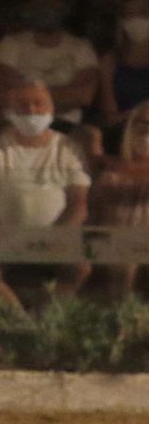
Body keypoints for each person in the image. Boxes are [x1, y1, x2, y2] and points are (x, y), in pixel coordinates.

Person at [0, 78, 91, 309]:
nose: (31, 110)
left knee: (81, 267)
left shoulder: (68, 148)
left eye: (38, 103)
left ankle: (47, 316)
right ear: (10, 111)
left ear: (51, 109)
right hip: (4, 239)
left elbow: (78, 204)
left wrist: (55, 237)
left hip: (55, 240)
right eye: (23, 105)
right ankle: (18, 319)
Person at [0, 0, 99, 129]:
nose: (46, 5)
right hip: (19, 125)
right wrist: (63, 95)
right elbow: (6, 96)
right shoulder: (11, 44)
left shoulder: (81, 47)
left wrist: (28, 96)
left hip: (65, 127)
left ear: (64, 4)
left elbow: (84, 96)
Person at [90, 100, 149, 299]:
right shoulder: (111, 176)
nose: (147, 133)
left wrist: (103, 159)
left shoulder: (114, 167)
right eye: (142, 126)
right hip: (119, 248)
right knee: (123, 257)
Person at [99, 0, 149, 140]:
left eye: (142, 13)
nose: (136, 19)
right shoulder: (110, 61)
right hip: (120, 133)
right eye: (130, 14)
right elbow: (110, 117)